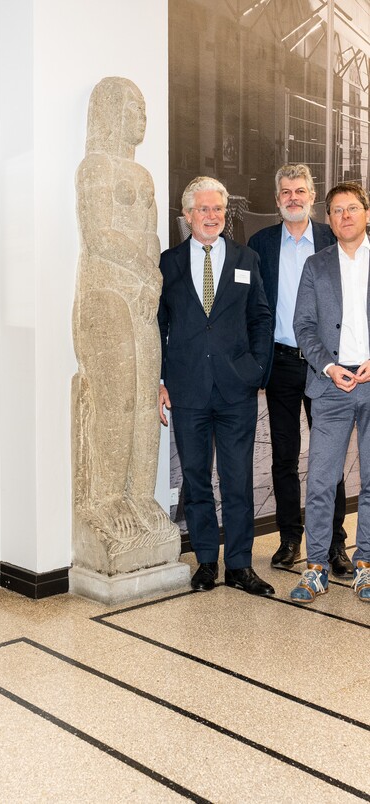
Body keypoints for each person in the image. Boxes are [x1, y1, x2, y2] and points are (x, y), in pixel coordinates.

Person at [72, 77, 179, 564]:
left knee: (142, 400)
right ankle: (107, 495)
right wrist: (144, 268)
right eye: (134, 107)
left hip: (140, 293)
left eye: (144, 107)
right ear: (111, 110)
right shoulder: (95, 167)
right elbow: (99, 235)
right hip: (106, 293)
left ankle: (139, 493)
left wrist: (149, 274)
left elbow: (152, 237)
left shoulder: (144, 176)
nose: (142, 116)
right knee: (116, 397)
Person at [158, 176, 274, 596]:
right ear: (187, 215)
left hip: (235, 388)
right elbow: (159, 323)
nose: (212, 216)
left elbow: (261, 317)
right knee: (195, 477)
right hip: (187, 388)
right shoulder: (168, 262)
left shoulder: (245, 259)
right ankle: (207, 561)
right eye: (203, 209)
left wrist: (255, 368)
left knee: (237, 477)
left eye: (218, 209)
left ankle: (240, 565)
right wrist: (160, 379)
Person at [248, 164, 352, 576]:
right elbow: (254, 307)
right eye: (286, 192)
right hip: (281, 364)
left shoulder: (330, 239)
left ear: (313, 198)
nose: (293, 197)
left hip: (325, 365)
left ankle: (334, 545)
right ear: (277, 201)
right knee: (284, 456)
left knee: (329, 456)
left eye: (301, 191)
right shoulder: (260, 243)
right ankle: (291, 538)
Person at [291, 181, 370, 603]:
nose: (345, 216)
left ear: (367, 213)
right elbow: (302, 326)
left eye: (352, 208)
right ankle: (317, 566)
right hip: (332, 385)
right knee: (321, 481)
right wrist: (329, 365)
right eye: (337, 210)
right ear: (329, 219)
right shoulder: (316, 266)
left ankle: (367, 565)